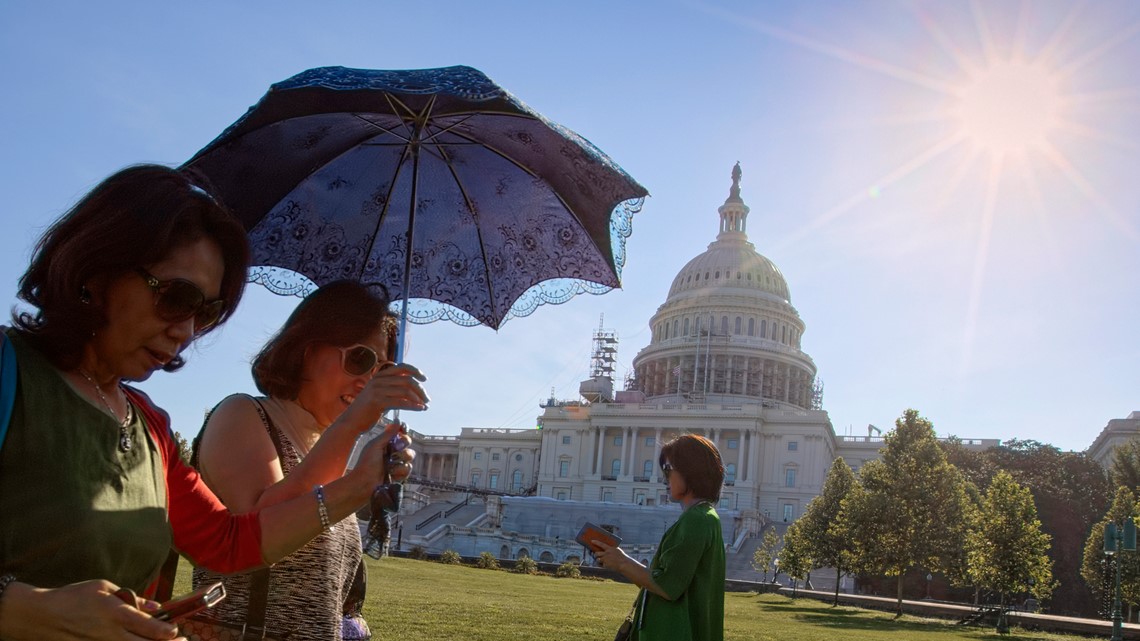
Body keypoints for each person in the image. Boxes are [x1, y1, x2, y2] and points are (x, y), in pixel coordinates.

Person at [0, 165, 427, 641]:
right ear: (98, 268)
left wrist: (359, 484)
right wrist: (23, 608)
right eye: (176, 297)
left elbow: (228, 543)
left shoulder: (149, 424)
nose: (186, 330)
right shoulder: (11, 371)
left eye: (205, 312)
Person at [191, 280, 424, 641]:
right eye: (360, 359)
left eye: (380, 370)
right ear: (307, 349)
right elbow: (258, 530)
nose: (368, 381)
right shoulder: (243, 413)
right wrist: (354, 429)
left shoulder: (329, 450)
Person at [592, 434, 726, 641]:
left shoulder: (697, 520)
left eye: (669, 468)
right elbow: (663, 582)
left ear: (691, 470)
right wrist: (620, 561)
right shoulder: (703, 517)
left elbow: (668, 586)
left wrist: (621, 562)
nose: (665, 477)